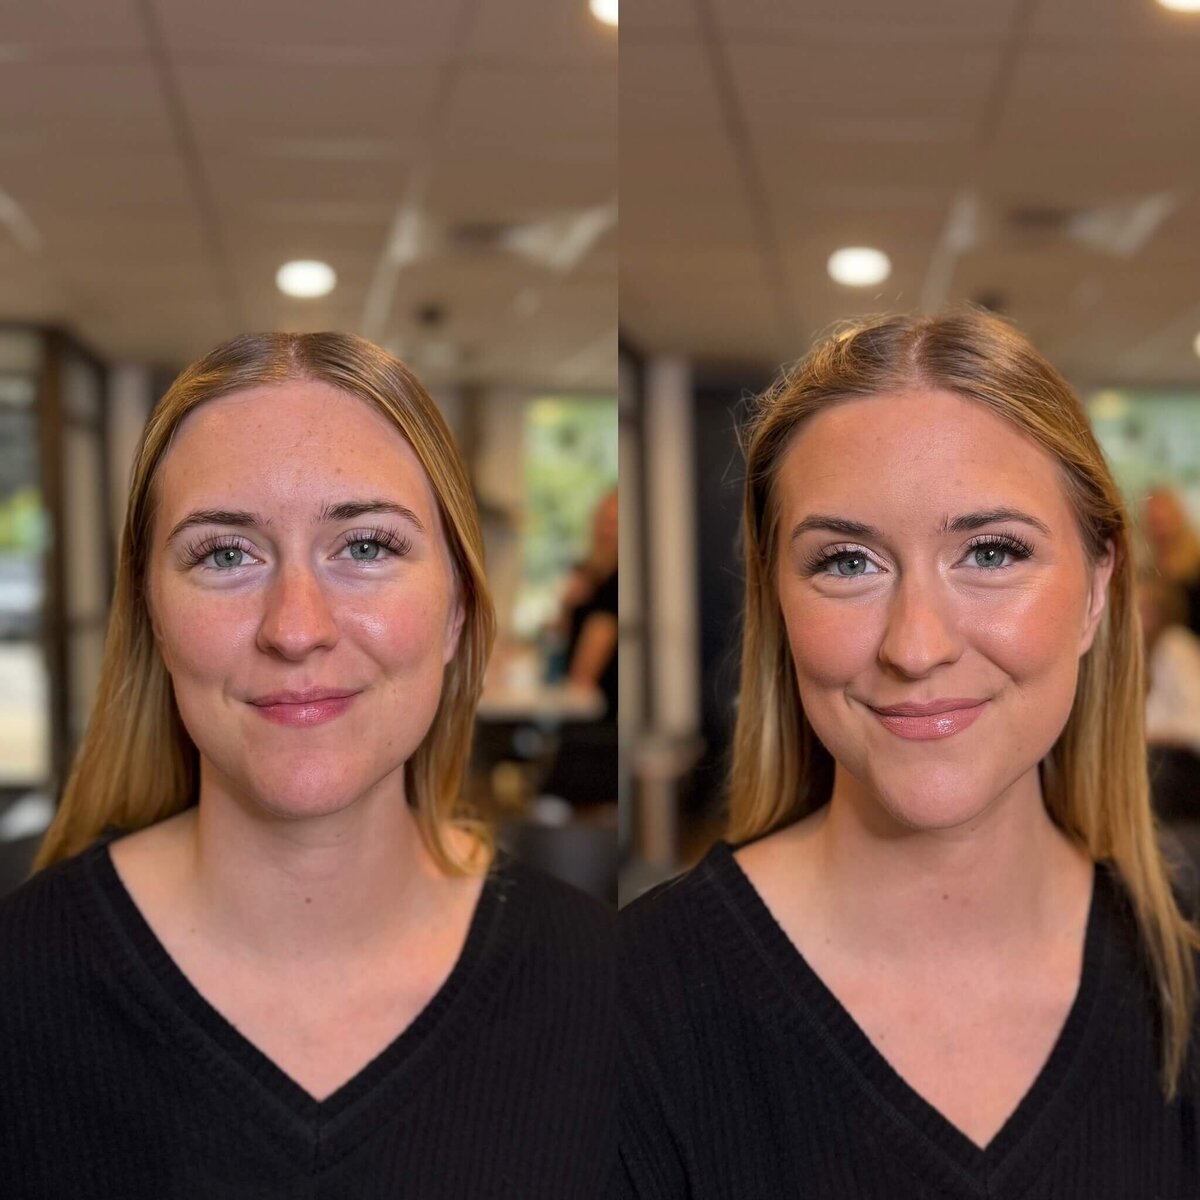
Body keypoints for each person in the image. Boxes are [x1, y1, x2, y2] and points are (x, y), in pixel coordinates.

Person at [0, 333, 613, 1198]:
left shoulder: (609, 991)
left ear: (457, 611)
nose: (296, 627)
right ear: (153, 618)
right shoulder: (22, 991)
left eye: (366, 546)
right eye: (225, 554)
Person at [619, 310, 1200, 1198]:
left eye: (992, 551)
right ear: (777, 602)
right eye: (847, 563)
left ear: (1095, 590)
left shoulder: (1182, 976)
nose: (916, 646)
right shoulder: (626, 1007)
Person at [1141, 486, 1200, 637]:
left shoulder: (1194, 565)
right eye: (1155, 522)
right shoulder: (1148, 572)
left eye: (1166, 521)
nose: (1162, 530)